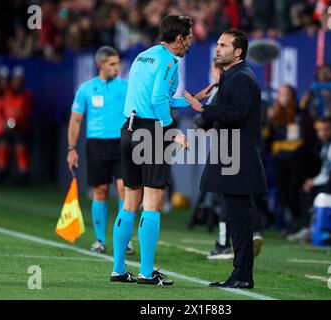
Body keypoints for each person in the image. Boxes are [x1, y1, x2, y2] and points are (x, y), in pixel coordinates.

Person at [111, 15, 215, 285]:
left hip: (128, 130)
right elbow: (158, 100)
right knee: (153, 203)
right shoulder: (169, 60)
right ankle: (146, 273)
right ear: (178, 38)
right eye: (189, 37)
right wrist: (172, 132)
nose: (191, 42)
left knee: (130, 201)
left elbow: (159, 97)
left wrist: (191, 99)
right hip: (150, 131)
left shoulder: (144, 56)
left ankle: (119, 270)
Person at [184, 29, 268, 289]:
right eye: (217, 44)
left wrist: (204, 108)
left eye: (223, 45)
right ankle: (240, 275)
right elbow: (219, 116)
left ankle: (242, 276)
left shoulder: (241, 77)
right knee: (235, 218)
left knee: (239, 220)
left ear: (238, 51)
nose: (217, 49)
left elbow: (237, 113)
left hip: (237, 160)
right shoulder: (231, 76)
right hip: (230, 157)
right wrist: (204, 108)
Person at [67, 46, 134, 255]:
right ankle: (100, 240)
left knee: (125, 190)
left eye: (117, 64)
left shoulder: (126, 86)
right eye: (112, 64)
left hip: (122, 144)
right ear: (100, 65)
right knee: (100, 191)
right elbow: (76, 121)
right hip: (96, 145)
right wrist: (71, 148)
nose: (117, 68)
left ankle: (125, 240)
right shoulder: (86, 89)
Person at [288, 116, 331, 242]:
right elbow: (325, 173)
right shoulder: (326, 146)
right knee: (306, 188)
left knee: (314, 193)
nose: (323, 133)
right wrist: (313, 181)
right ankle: (306, 226)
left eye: (327, 129)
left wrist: (319, 186)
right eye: (320, 130)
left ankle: (309, 228)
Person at [265, 84, 316, 234]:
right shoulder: (275, 115)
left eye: (287, 94)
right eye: (281, 94)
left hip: (298, 163)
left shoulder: (300, 114)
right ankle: (289, 222)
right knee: (282, 193)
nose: (284, 98)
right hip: (280, 163)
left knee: (295, 192)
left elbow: (300, 142)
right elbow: (269, 141)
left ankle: (300, 223)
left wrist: (279, 147)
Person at [0, 66, 32, 184]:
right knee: (3, 147)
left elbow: (25, 111)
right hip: (8, 127)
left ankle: (23, 175)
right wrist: (5, 122)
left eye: (19, 79)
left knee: (21, 150)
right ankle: (2, 172)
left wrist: (15, 122)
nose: (17, 82)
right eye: (15, 79)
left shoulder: (26, 95)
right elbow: (3, 109)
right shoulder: (8, 93)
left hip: (21, 128)